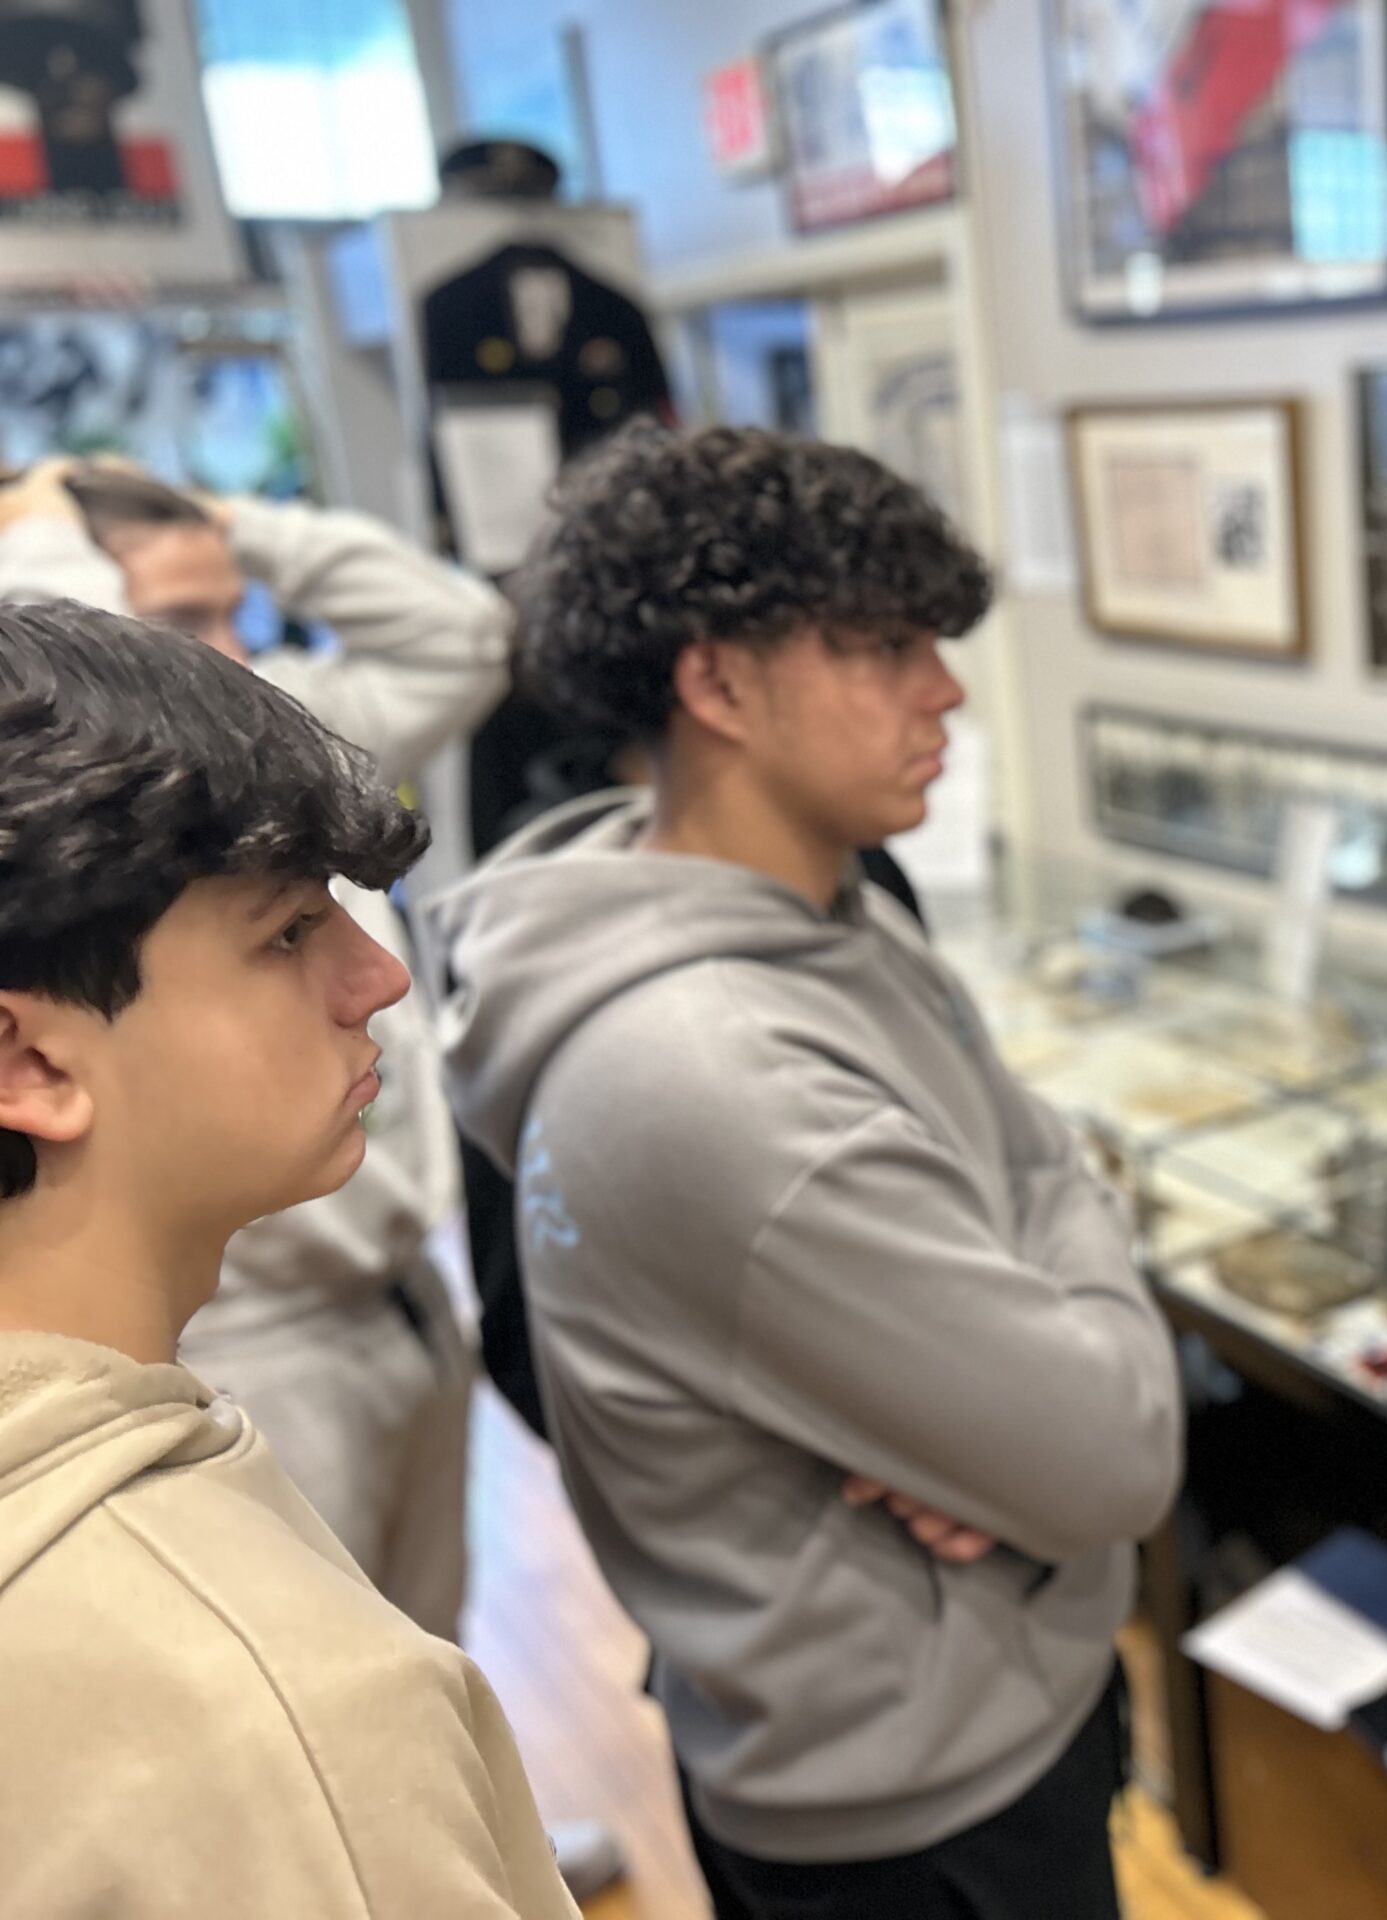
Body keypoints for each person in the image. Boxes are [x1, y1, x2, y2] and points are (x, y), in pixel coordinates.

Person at [424, 425, 1184, 1920]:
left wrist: (1009, 1321)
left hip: (965, 1697)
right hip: (904, 1798)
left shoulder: (835, 908)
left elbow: (1019, 1163)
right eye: (885, 647)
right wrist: (1048, 1277)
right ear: (716, 684)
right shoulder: (713, 1073)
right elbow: (1113, 1452)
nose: (946, 689)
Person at [0, 458, 628, 1901]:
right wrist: (47, 539)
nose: (381, 975)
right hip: (274, 1355)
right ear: (27, 1061)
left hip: (374, 1305)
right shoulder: (280, 1717)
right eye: (287, 933)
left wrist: (232, 538)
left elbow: (461, 638)